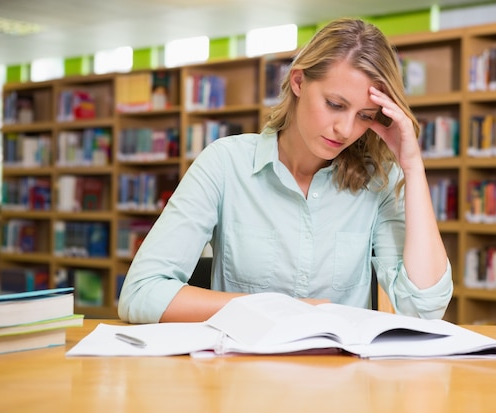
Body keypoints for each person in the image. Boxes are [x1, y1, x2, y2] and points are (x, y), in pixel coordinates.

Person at [118, 18, 453, 324]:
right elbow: (141, 292)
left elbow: (423, 308)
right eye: (335, 105)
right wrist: (277, 308)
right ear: (298, 82)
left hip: (341, 379)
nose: (345, 129)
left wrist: (412, 166)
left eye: (365, 116)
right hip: (241, 376)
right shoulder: (224, 164)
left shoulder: (378, 181)